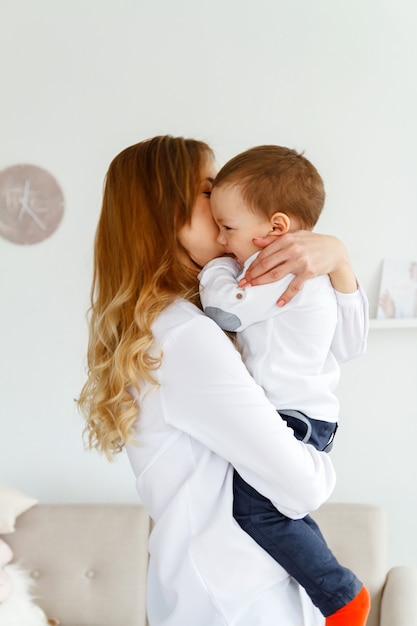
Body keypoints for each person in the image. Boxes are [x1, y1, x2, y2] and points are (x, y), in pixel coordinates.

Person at [77, 135, 369, 626]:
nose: (223, 205)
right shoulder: (186, 335)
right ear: (165, 213)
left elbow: (337, 341)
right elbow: (301, 488)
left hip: (221, 588)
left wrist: (337, 259)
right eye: (207, 190)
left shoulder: (176, 324)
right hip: (235, 598)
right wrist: (318, 460)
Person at [198, 145, 370, 625]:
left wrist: (217, 264)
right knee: (275, 509)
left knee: (259, 514)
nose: (219, 236)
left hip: (290, 415)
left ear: (275, 228)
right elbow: (352, 345)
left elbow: (223, 310)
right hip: (311, 414)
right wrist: (342, 271)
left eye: (227, 228)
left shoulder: (274, 269)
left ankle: (340, 595)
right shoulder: (310, 272)